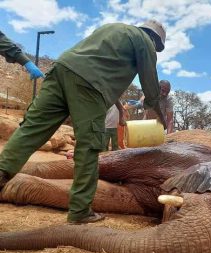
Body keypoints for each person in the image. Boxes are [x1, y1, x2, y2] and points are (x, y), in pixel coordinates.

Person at [0, 20, 167, 224]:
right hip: (89, 85)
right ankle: (80, 210)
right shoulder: (145, 41)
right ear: (155, 38)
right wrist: (158, 113)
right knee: (89, 145)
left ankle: (2, 172)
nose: (155, 50)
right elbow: (150, 83)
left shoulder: (112, 28)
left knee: (31, 130)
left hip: (60, 70)